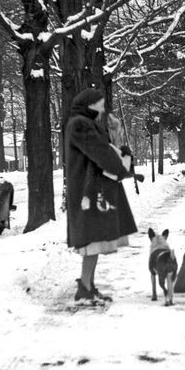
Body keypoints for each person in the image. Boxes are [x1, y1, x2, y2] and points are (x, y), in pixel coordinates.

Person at [65, 88, 137, 301]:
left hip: (91, 189)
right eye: (100, 105)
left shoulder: (84, 124)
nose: (103, 109)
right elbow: (100, 152)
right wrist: (121, 168)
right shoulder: (80, 124)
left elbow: (103, 148)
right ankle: (85, 288)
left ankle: (88, 285)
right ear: (90, 105)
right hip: (89, 191)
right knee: (91, 240)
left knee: (93, 239)